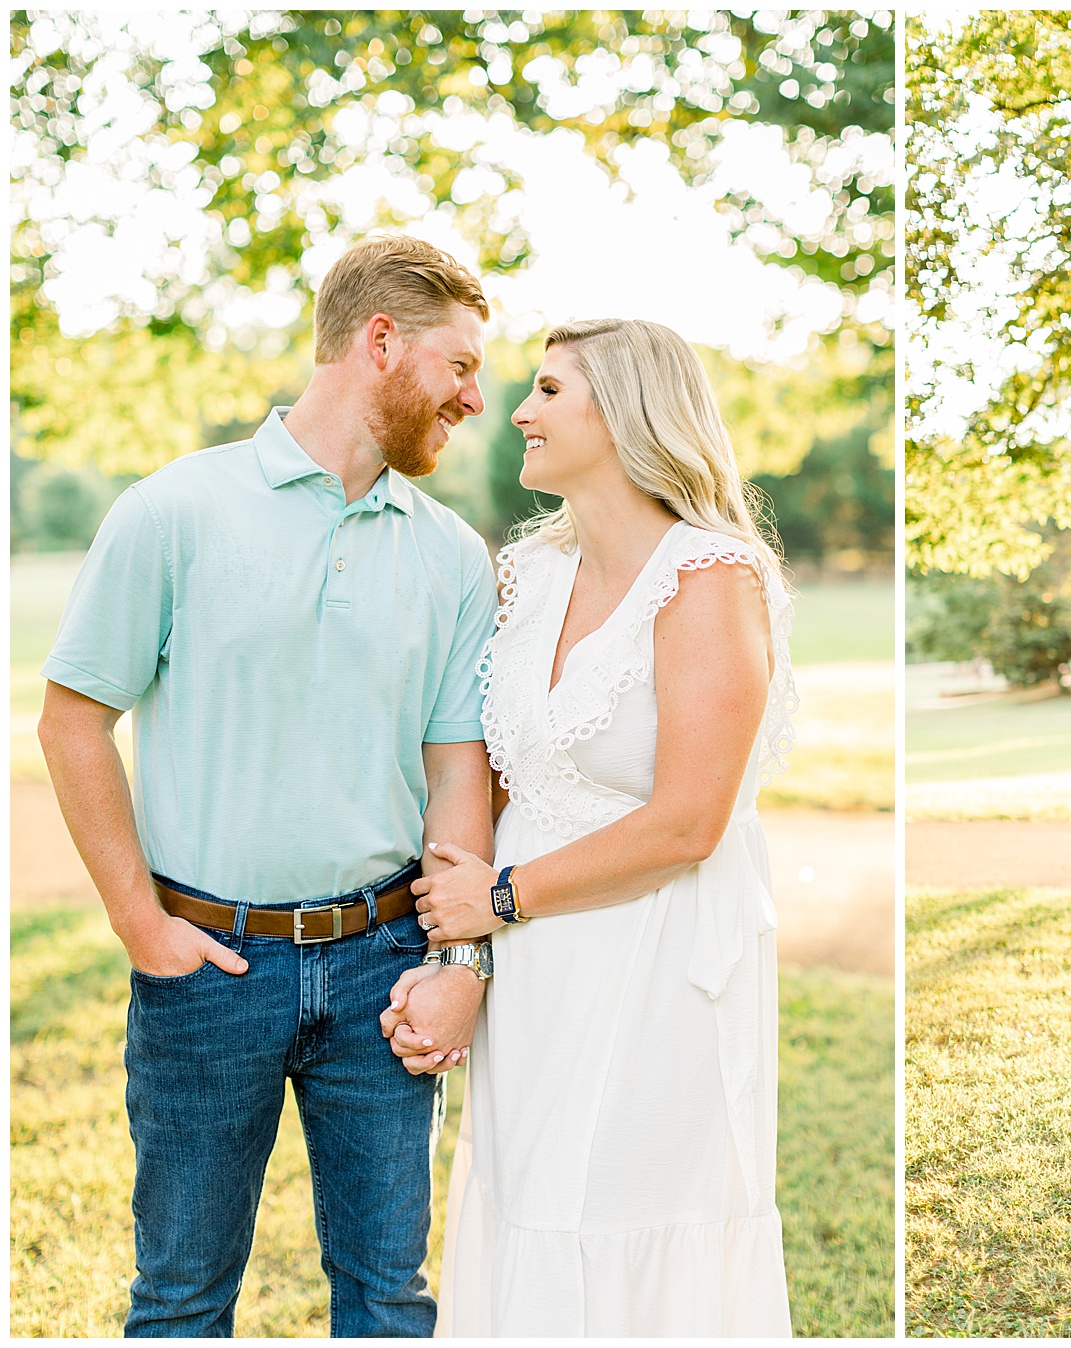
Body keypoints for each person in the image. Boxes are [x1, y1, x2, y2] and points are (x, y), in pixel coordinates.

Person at [36, 234, 500, 1336]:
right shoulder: (174, 511)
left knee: (388, 1298)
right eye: (462, 365)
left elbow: (457, 770)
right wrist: (139, 923)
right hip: (207, 966)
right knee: (183, 1298)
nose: (478, 398)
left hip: (385, 973)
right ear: (380, 341)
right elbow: (72, 720)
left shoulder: (451, 555)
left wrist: (458, 961)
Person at [381, 317, 796, 1336]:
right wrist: (468, 953)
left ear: (627, 413)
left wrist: (505, 896)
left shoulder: (708, 580)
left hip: (655, 952)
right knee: (529, 1200)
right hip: (531, 962)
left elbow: (689, 821)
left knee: (621, 1208)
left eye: (550, 391)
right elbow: (498, 778)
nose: (517, 410)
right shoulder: (527, 577)